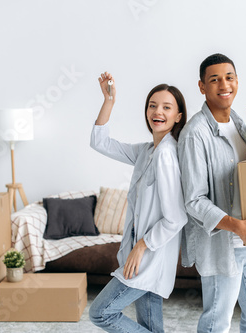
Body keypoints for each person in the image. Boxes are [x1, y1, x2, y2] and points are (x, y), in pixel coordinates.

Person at [177, 54, 246, 333]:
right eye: (214, 79)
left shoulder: (239, 123)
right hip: (222, 246)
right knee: (216, 325)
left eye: (229, 77)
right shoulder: (195, 134)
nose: (224, 84)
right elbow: (194, 201)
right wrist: (239, 228)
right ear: (202, 87)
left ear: (237, 81)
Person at [89, 72, 188, 333]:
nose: (158, 111)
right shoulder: (147, 151)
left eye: (167, 107)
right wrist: (108, 101)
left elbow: (176, 217)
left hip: (148, 257)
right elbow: (100, 142)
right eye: (153, 105)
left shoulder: (166, 154)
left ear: (178, 116)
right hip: (140, 256)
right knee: (150, 326)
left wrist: (142, 246)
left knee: (101, 313)